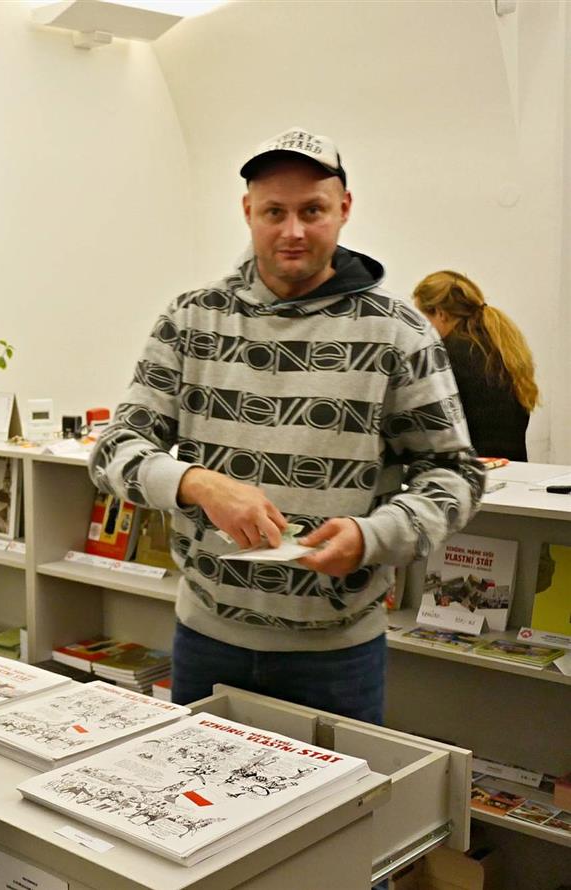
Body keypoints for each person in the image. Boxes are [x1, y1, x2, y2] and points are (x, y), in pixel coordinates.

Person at [90, 128, 485, 725]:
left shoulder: (398, 331)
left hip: (338, 655)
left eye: (312, 211)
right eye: (275, 212)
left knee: (343, 791)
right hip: (205, 638)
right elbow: (114, 450)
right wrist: (196, 483)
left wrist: (373, 537)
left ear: (344, 209)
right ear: (247, 211)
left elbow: (455, 475)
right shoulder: (191, 318)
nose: (293, 231)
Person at [412, 270, 538, 461]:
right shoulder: (501, 345)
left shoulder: (446, 355)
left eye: (421, 317)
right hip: (513, 466)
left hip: (473, 469)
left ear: (440, 314)